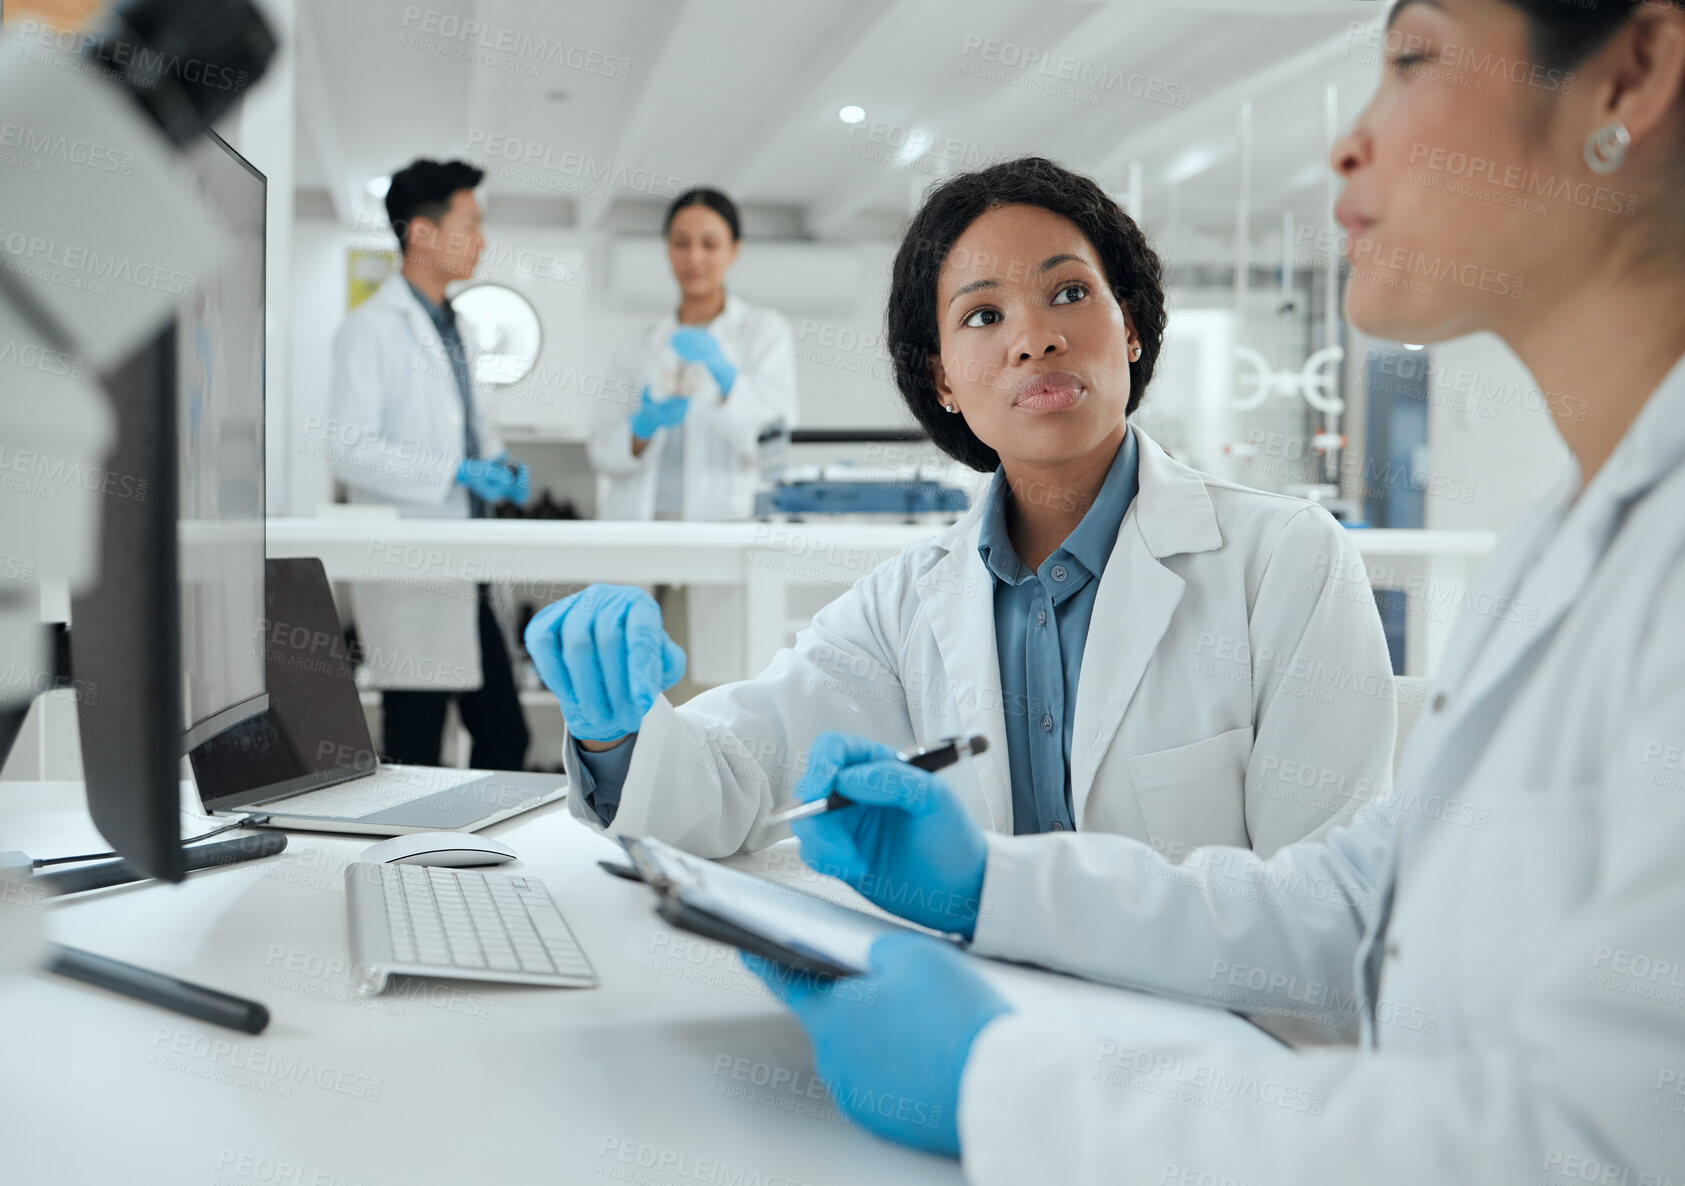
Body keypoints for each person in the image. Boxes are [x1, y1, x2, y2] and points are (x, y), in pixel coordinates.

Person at [743, 0, 1685, 1180]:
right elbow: (1351, 905)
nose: (1348, 141)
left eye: (1410, 58)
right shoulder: (1560, 543)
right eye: (982, 316)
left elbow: (1605, 1146)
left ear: (1629, 72)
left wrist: (1007, 1087)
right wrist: (990, 881)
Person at [525, 159, 1399, 891]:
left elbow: (1325, 908)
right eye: (983, 315)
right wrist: (617, 731)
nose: (1033, 338)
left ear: (1128, 327)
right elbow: (735, 779)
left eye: (1067, 292)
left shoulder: (1285, 563)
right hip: (990, 1050)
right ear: (941, 379)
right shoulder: (909, 604)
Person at [327, 158, 530, 770]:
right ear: (422, 232)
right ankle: (407, 862)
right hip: (411, 565)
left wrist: (497, 463)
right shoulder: (370, 330)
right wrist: (455, 472)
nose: (482, 240)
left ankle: (486, 857)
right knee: (416, 744)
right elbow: (348, 448)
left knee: (505, 735)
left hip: (469, 560)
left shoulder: (460, 328)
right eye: (469, 223)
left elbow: (471, 428)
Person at [586, 187, 800, 686]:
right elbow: (601, 448)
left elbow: (772, 446)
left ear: (734, 250)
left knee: (712, 691)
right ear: (666, 249)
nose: (694, 257)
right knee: (634, 689)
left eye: (709, 243)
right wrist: (640, 431)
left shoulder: (762, 332)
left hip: (719, 529)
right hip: (642, 529)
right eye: (681, 243)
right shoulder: (638, 344)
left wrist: (729, 382)